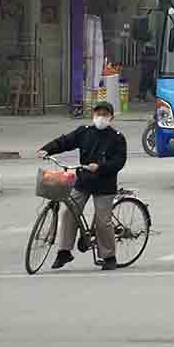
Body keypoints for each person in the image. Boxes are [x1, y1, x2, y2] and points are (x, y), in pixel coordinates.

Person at [39, 99, 128, 270]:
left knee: (103, 221)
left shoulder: (117, 138)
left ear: (111, 118)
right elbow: (65, 141)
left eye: (105, 114)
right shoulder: (84, 132)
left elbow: (119, 161)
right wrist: (47, 149)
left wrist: (100, 167)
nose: (101, 117)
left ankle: (109, 256)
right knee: (68, 212)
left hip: (105, 184)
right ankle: (64, 252)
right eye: (98, 114)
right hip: (84, 182)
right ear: (93, 115)